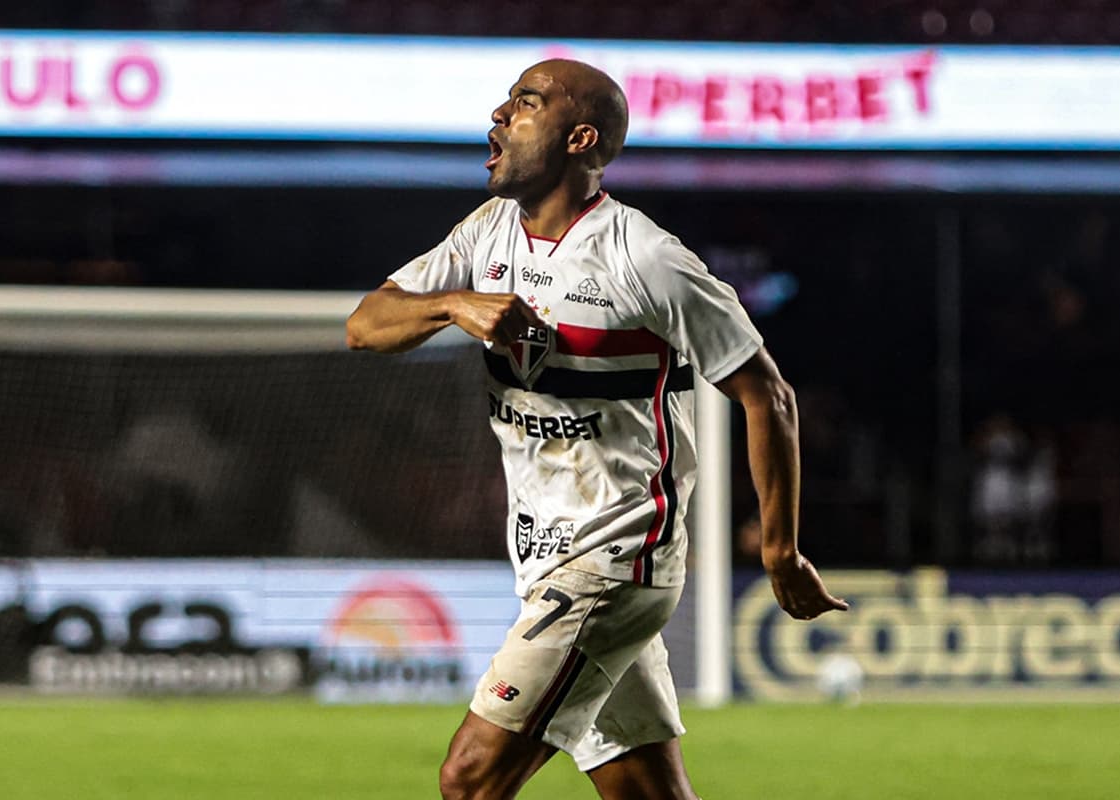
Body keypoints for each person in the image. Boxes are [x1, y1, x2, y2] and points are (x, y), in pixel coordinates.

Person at [346, 59, 847, 800]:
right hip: (545, 558)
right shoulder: (486, 236)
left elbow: (767, 393)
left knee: (469, 778)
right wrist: (453, 304)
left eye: (526, 102)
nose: (498, 115)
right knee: (647, 793)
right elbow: (365, 326)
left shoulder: (645, 257)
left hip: (615, 557)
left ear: (580, 138)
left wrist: (780, 552)